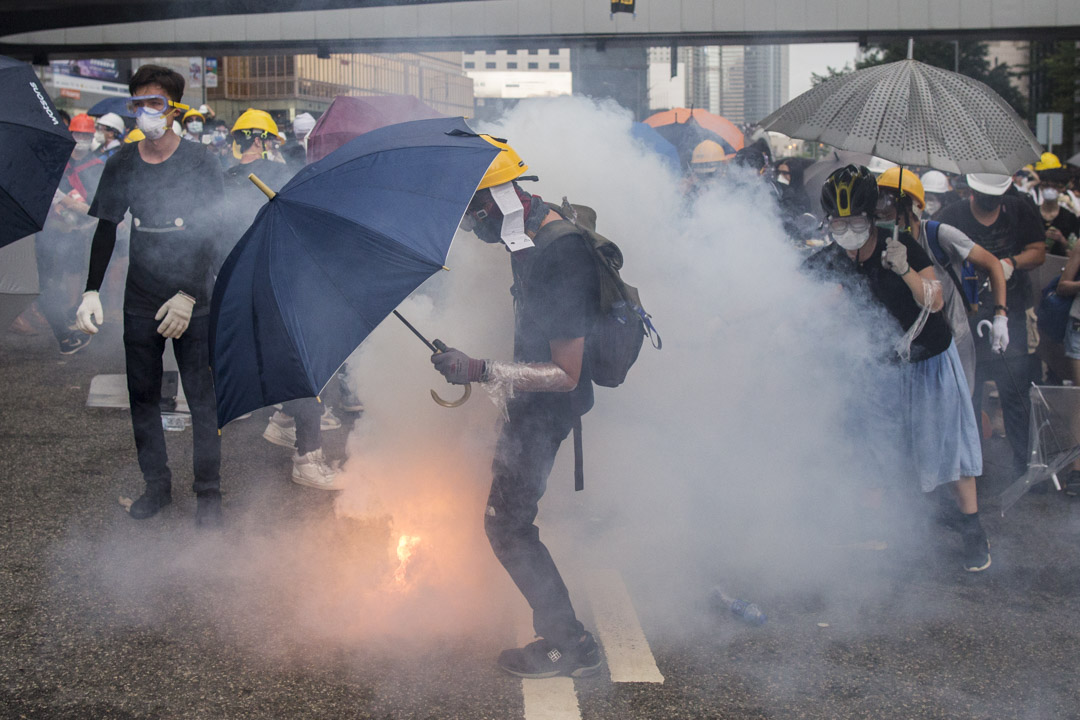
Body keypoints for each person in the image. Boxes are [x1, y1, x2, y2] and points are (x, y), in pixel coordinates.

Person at [430, 136, 604, 676]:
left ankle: (568, 643)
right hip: (528, 405)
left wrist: (481, 371)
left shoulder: (560, 253)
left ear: (501, 196)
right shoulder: (525, 238)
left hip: (547, 407)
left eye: (473, 210)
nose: (472, 224)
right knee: (508, 521)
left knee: (506, 526)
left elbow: (566, 374)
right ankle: (565, 635)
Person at [803, 165, 990, 572]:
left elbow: (935, 301)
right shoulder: (834, 254)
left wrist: (904, 269)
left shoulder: (900, 242)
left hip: (929, 359)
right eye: (838, 221)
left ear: (872, 217)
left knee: (947, 443)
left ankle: (973, 532)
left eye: (854, 221)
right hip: (882, 366)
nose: (846, 228)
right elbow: (787, 291)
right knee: (874, 441)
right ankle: (876, 529)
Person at [73, 64, 226, 527]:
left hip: (191, 294)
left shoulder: (200, 161)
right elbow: (106, 226)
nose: (145, 112)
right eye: (137, 103)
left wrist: (188, 294)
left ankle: (209, 495)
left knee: (202, 396)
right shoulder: (122, 160)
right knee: (142, 395)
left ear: (174, 108)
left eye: (154, 103)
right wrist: (91, 290)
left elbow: (214, 232)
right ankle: (156, 486)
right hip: (140, 293)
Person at [222, 107, 343, 490]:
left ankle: (282, 422)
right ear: (264, 139)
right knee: (302, 365)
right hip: (279, 283)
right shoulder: (280, 176)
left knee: (279, 361)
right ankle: (308, 458)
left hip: (238, 285)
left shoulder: (221, 182)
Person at [937, 173, 1046, 480]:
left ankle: (1025, 465)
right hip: (966, 316)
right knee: (968, 391)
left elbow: (1038, 251)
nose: (989, 202)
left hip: (1010, 314)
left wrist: (1011, 262)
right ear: (971, 191)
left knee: (1015, 391)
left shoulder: (1020, 209)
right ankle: (972, 466)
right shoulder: (952, 215)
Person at [876, 167, 1008, 395]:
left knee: (956, 409)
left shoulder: (939, 235)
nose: (882, 212)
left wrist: (1000, 316)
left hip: (954, 343)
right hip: (911, 346)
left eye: (889, 203)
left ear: (909, 207)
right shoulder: (883, 244)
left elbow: (993, 264)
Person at [36, 112, 103, 355]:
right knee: (44, 283)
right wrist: (99, 214)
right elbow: (64, 199)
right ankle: (65, 332)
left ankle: (67, 322)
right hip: (46, 230)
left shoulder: (95, 165)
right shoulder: (51, 164)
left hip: (72, 229)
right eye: (78, 134)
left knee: (64, 274)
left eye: (86, 134)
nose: (81, 139)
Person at [1035, 167, 1079, 256]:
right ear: (1041, 186)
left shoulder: (1070, 217)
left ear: (1062, 189)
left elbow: (1074, 250)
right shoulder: (1031, 213)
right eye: (1046, 185)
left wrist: (1061, 239)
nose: (1050, 189)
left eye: (1054, 186)